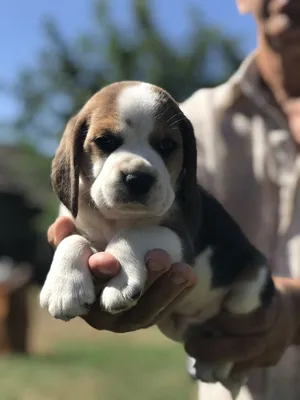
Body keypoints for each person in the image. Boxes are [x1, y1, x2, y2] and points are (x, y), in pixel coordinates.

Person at [48, 0, 300, 398]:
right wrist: (71, 254)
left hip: (238, 283)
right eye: (107, 142)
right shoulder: (190, 117)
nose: (136, 167)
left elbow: (175, 235)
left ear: (183, 162)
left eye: (163, 148)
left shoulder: (181, 130)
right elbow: (75, 228)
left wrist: (294, 312)